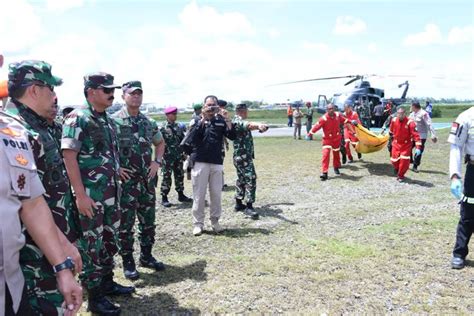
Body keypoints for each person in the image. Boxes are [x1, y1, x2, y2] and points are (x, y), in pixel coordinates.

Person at [5, 60, 82, 315]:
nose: (54, 96)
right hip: (35, 254)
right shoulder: (18, 132)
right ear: (35, 90)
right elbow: (29, 205)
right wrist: (61, 251)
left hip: (50, 245)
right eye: (50, 88)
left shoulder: (38, 127)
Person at [62, 72, 134, 315]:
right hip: (91, 197)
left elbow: (105, 153)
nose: (111, 94)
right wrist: (80, 195)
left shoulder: (108, 120)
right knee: (92, 245)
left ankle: (107, 282)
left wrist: (115, 169)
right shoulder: (77, 118)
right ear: (91, 91)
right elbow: (69, 156)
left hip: (111, 195)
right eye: (106, 90)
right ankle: (95, 297)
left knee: (108, 240)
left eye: (112, 90)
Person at [112, 80, 166, 281]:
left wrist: (157, 162)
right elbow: (105, 150)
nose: (136, 97)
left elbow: (160, 143)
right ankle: (128, 261)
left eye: (139, 94)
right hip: (126, 184)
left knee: (148, 221)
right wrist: (115, 167)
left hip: (146, 182)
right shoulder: (113, 122)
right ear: (123, 96)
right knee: (125, 225)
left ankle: (146, 256)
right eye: (132, 93)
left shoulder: (148, 123)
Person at [189, 95, 236, 236]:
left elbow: (232, 135)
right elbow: (191, 139)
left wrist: (227, 119)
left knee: (216, 194)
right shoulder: (197, 120)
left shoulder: (221, 120)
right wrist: (202, 120)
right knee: (199, 194)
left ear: (218, 106)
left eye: (213, 105)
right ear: (204, 106)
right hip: (200, 162)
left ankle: (215, 221)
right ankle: (198, 224)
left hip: (216, 162)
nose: (211, 108)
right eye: (208, 105)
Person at [448, 106, 474, 269]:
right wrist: (455, 175)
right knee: (468, 213)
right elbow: (456, 147)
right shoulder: (466, 117)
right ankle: (459, 253)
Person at [232, 103, 269, 220]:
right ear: (242, 111)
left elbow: (248, 126)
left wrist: (260, 127)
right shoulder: (237, 121)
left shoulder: (237, 121)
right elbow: (248, 125)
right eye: (246, 111)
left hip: (242, 156)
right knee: (251, 178)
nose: (247, 113)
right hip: (243, 157)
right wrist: (259, 125)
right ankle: (249, 206)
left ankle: (238, 203)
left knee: (241, 179)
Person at [160, 106, 192, 207]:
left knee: (179, 176)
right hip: (167, 157)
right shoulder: (162, 128)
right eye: (173, 114)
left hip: (178, 156)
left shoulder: (179, 127)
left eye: (176, 114)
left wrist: (185, 153)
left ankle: (181, 194)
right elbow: (158, 143)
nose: (175, 116)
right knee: (166, 177)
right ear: (167, 115)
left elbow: (183, 140)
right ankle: (164, 197)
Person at [308, 103, 348, 181]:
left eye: (332, 108)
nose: (331, 110)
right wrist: (310, 133)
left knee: (336, 154)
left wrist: (351, 122)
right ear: (327, 110)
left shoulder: (337, 115)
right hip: (327, 140)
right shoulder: (324, 118)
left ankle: (336, 167)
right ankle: (324, 173)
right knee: (326, 155)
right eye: (329, 109)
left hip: (336, 139)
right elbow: (317, 126)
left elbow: (344, 120)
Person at [389, 106, 422, 182]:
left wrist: (418, 147)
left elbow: (416, 135)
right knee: (394, 160)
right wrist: (390, 137)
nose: (400, 115)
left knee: (404, 161)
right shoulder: (394, 120)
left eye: (401, 114)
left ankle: (401, 176)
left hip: (406, 145)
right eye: (398, 114)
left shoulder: (410, 122)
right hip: (396, 143)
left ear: (405, 114)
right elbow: (391, 130)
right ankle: (397, 169)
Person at [409, 101, 437, 172]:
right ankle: (411, 160)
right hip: (413, 135)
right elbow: (407, 121)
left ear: (414, 107)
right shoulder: (412, 114)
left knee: (418, 151)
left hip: (421, 136)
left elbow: (429, 124)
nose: (410, 108)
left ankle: (415, 166)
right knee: (408, 148)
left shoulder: (423, 114)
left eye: (411, 106)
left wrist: (433, 135)